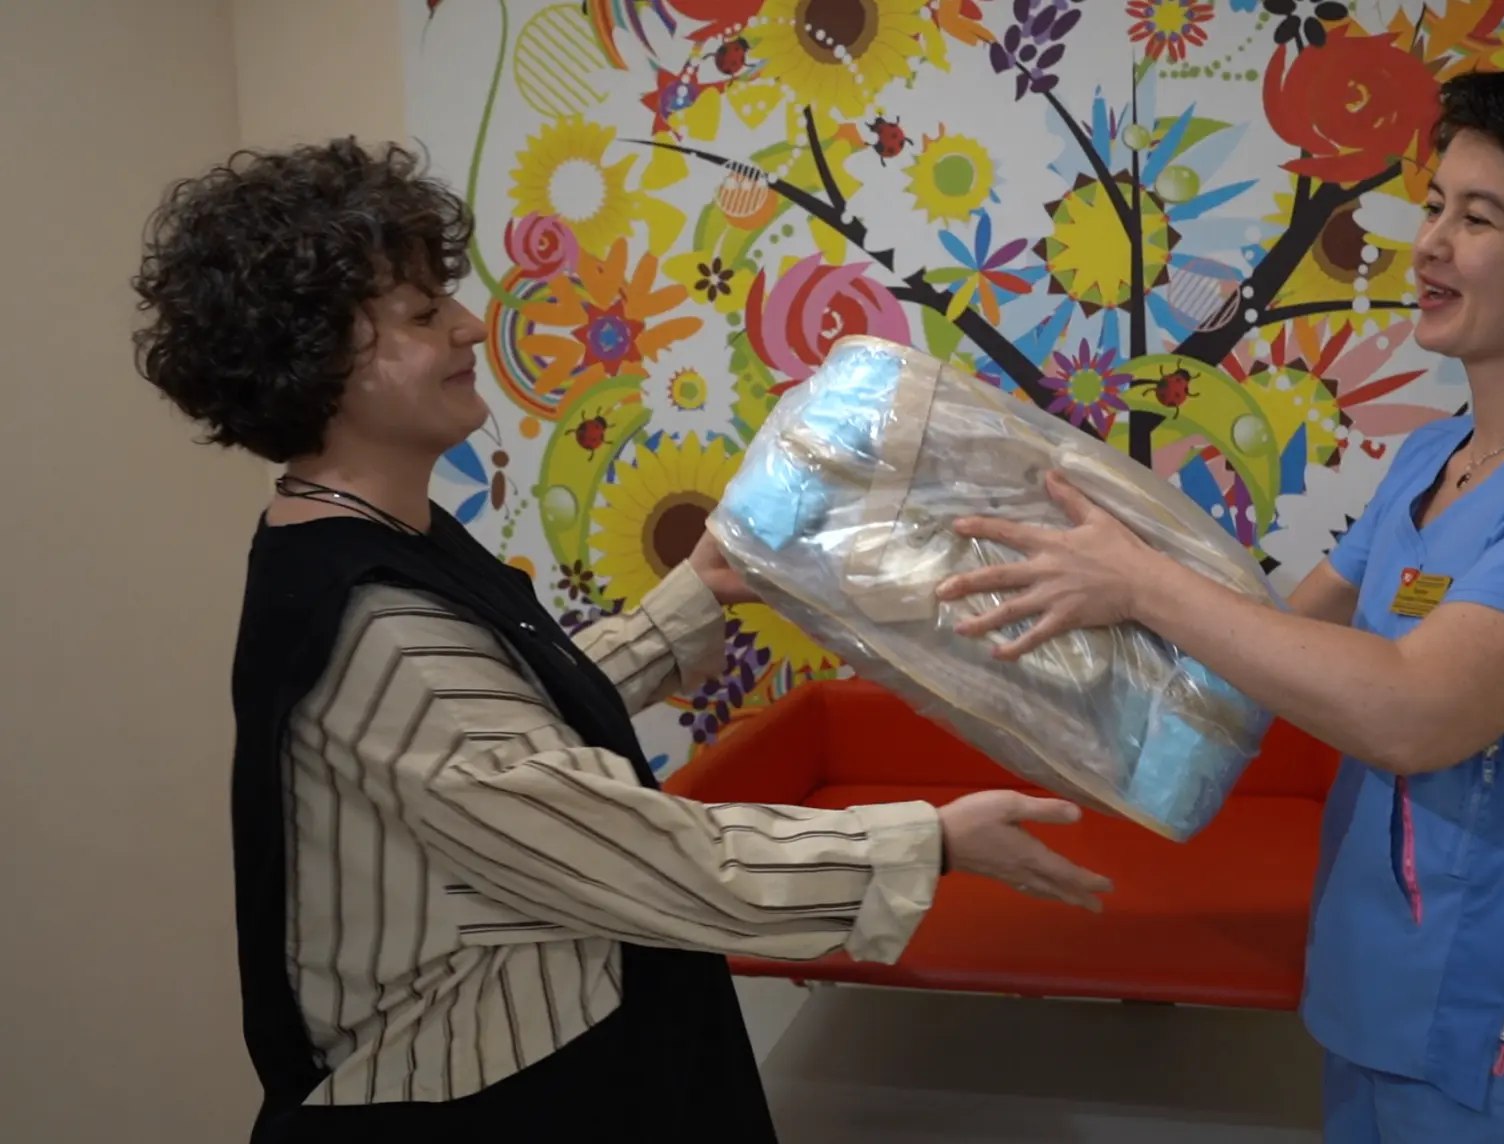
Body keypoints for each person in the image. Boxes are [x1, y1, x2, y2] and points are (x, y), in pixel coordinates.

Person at [131, 138, 1111, 1143]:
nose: (471, 325)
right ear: (313, 360)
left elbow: (504, 728)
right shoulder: (379, 626)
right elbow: (642, 857)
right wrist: (931, 843)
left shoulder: (349, 538)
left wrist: (695, 598)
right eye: (424, 315)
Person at [934, 59, 1504, 1142]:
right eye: (1435, 206)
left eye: (1479, 217)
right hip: (1372, 996)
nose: (1429, 245)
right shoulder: (1432, 457)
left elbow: (1416, 711)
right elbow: (1282, 642)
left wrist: (1143, 580)